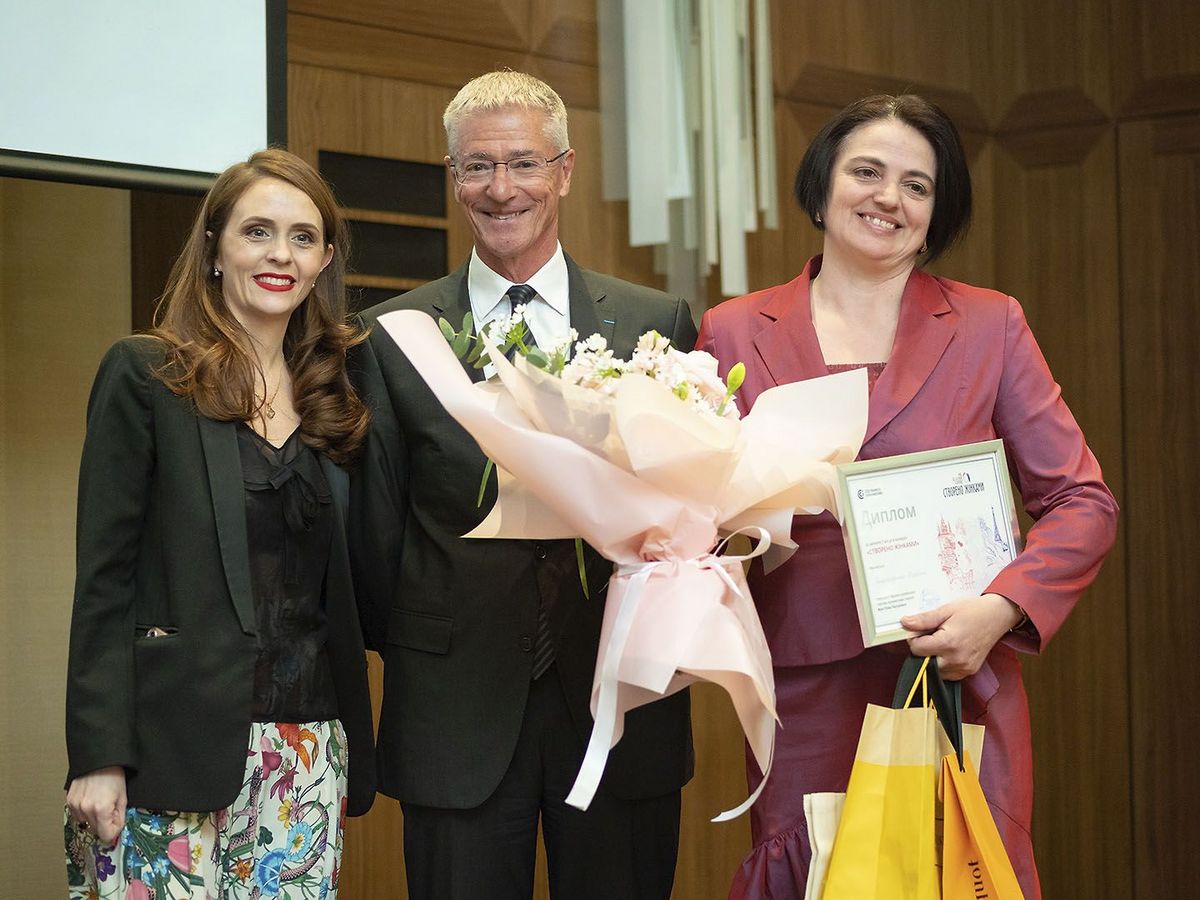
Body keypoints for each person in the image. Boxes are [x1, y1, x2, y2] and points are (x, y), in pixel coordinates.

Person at [696, 94, 1118, 900]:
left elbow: (1082, 501)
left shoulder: (991, 325)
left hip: (957, 676)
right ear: (823, 186)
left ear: (934, 215)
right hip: (804, 685)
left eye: (917, 185)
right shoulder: (734, 330)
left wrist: (1000, 609)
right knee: (814, 876)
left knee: (959, 874)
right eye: (867, 172)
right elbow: (696, 512)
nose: (889, 197)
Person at [349, 70, 696, 900]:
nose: (501, 188)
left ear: (565, 171)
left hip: (618, 703)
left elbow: (690, 507)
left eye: (524, 163)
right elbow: (373, 538)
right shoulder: (391, 336)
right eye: (477, 166)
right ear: (453, 176)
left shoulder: (655, 324)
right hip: (455, 708)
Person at [64, 149, 376, 900]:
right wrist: (98, 753)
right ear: (214, 248)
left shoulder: (338, 398)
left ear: (324, 262)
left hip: (306, 756)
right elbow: (104, 581)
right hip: (165, 750)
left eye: (303, 238)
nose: (280, 255)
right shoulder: (147, 375)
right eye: (257, 232)